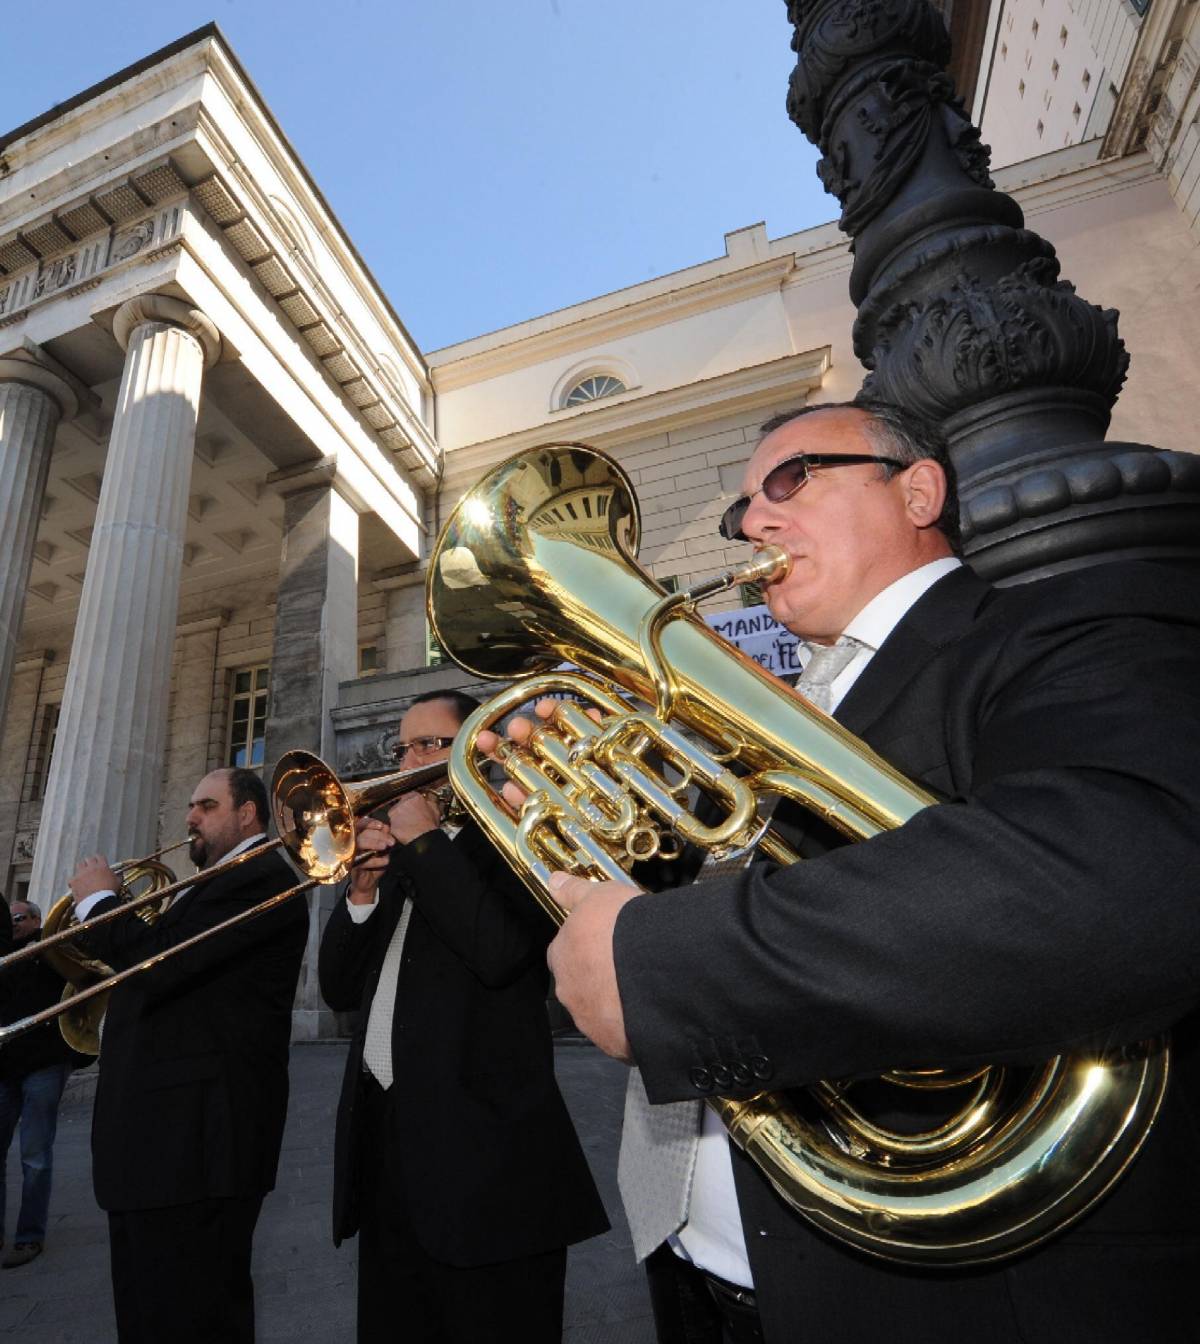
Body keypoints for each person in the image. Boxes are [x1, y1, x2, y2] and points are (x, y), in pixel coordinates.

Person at [541, 400, 1200, 1343]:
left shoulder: (1064, 622)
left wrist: (665, 966)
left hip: (943, 1296)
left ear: (919, 489)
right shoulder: (744, 721)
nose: (752, 521)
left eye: (789, 480)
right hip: (706, 1263)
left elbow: (1125, 876)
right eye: (740, 510)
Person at [318, 688, 609, 1344]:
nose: (405, 761)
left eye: (428, 745)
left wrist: (424, 841)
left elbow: (501, 953)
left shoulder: (525, 834)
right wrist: (360, 890)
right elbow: (337, 988)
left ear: (480, 751)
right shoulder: (397, 859)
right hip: (389, 1160)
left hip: (491, 1175)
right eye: (401, 748)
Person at [67, 766, 307, 1344]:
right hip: (167, 1150)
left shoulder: (258, 878)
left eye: (205, 806)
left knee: (186, 1316)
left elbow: (160, 965)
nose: (190, 818)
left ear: (247, 813)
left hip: (194, 1150)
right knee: (155, 1314)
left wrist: (100, 903)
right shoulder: (215, 884)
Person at [0, 900, 80, 1268]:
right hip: (5, 1064)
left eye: (19, 919)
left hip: (44, 1062)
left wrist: (51, 946)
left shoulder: (53, 948)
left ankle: (29, 1236)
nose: (13, 925)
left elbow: (84, 979)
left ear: (36, 920)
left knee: (34, 1154)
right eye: (10, 919)